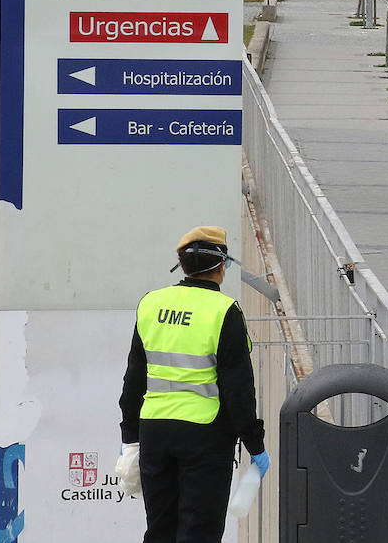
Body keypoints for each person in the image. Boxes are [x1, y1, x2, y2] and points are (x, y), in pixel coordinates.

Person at [118, 226, 269, 543]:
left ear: (182, 265)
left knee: (160, 530)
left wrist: (130, 437)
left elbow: (134, 379)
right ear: (222, 266)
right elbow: (238, 389)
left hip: (155, 432)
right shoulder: (224, 311)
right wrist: (255, 444)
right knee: (199, 532)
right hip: (205, 436)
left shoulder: (151, 304)